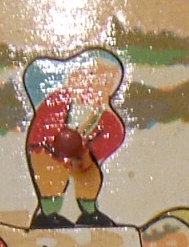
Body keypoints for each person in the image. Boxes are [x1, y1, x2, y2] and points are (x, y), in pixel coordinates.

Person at [23, 47, 126, 228]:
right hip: (46, 150)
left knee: (90, 179)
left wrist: (88, 155)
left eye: (105, 81)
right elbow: (43, 127)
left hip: (81, 158)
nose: (95, 84)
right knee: (52, 177)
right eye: (91, 75)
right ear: (74, 78)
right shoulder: (59, 101)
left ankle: (88, 212)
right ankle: (49, 213)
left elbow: (113, 136)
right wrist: (54, 149)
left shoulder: (103, 117)